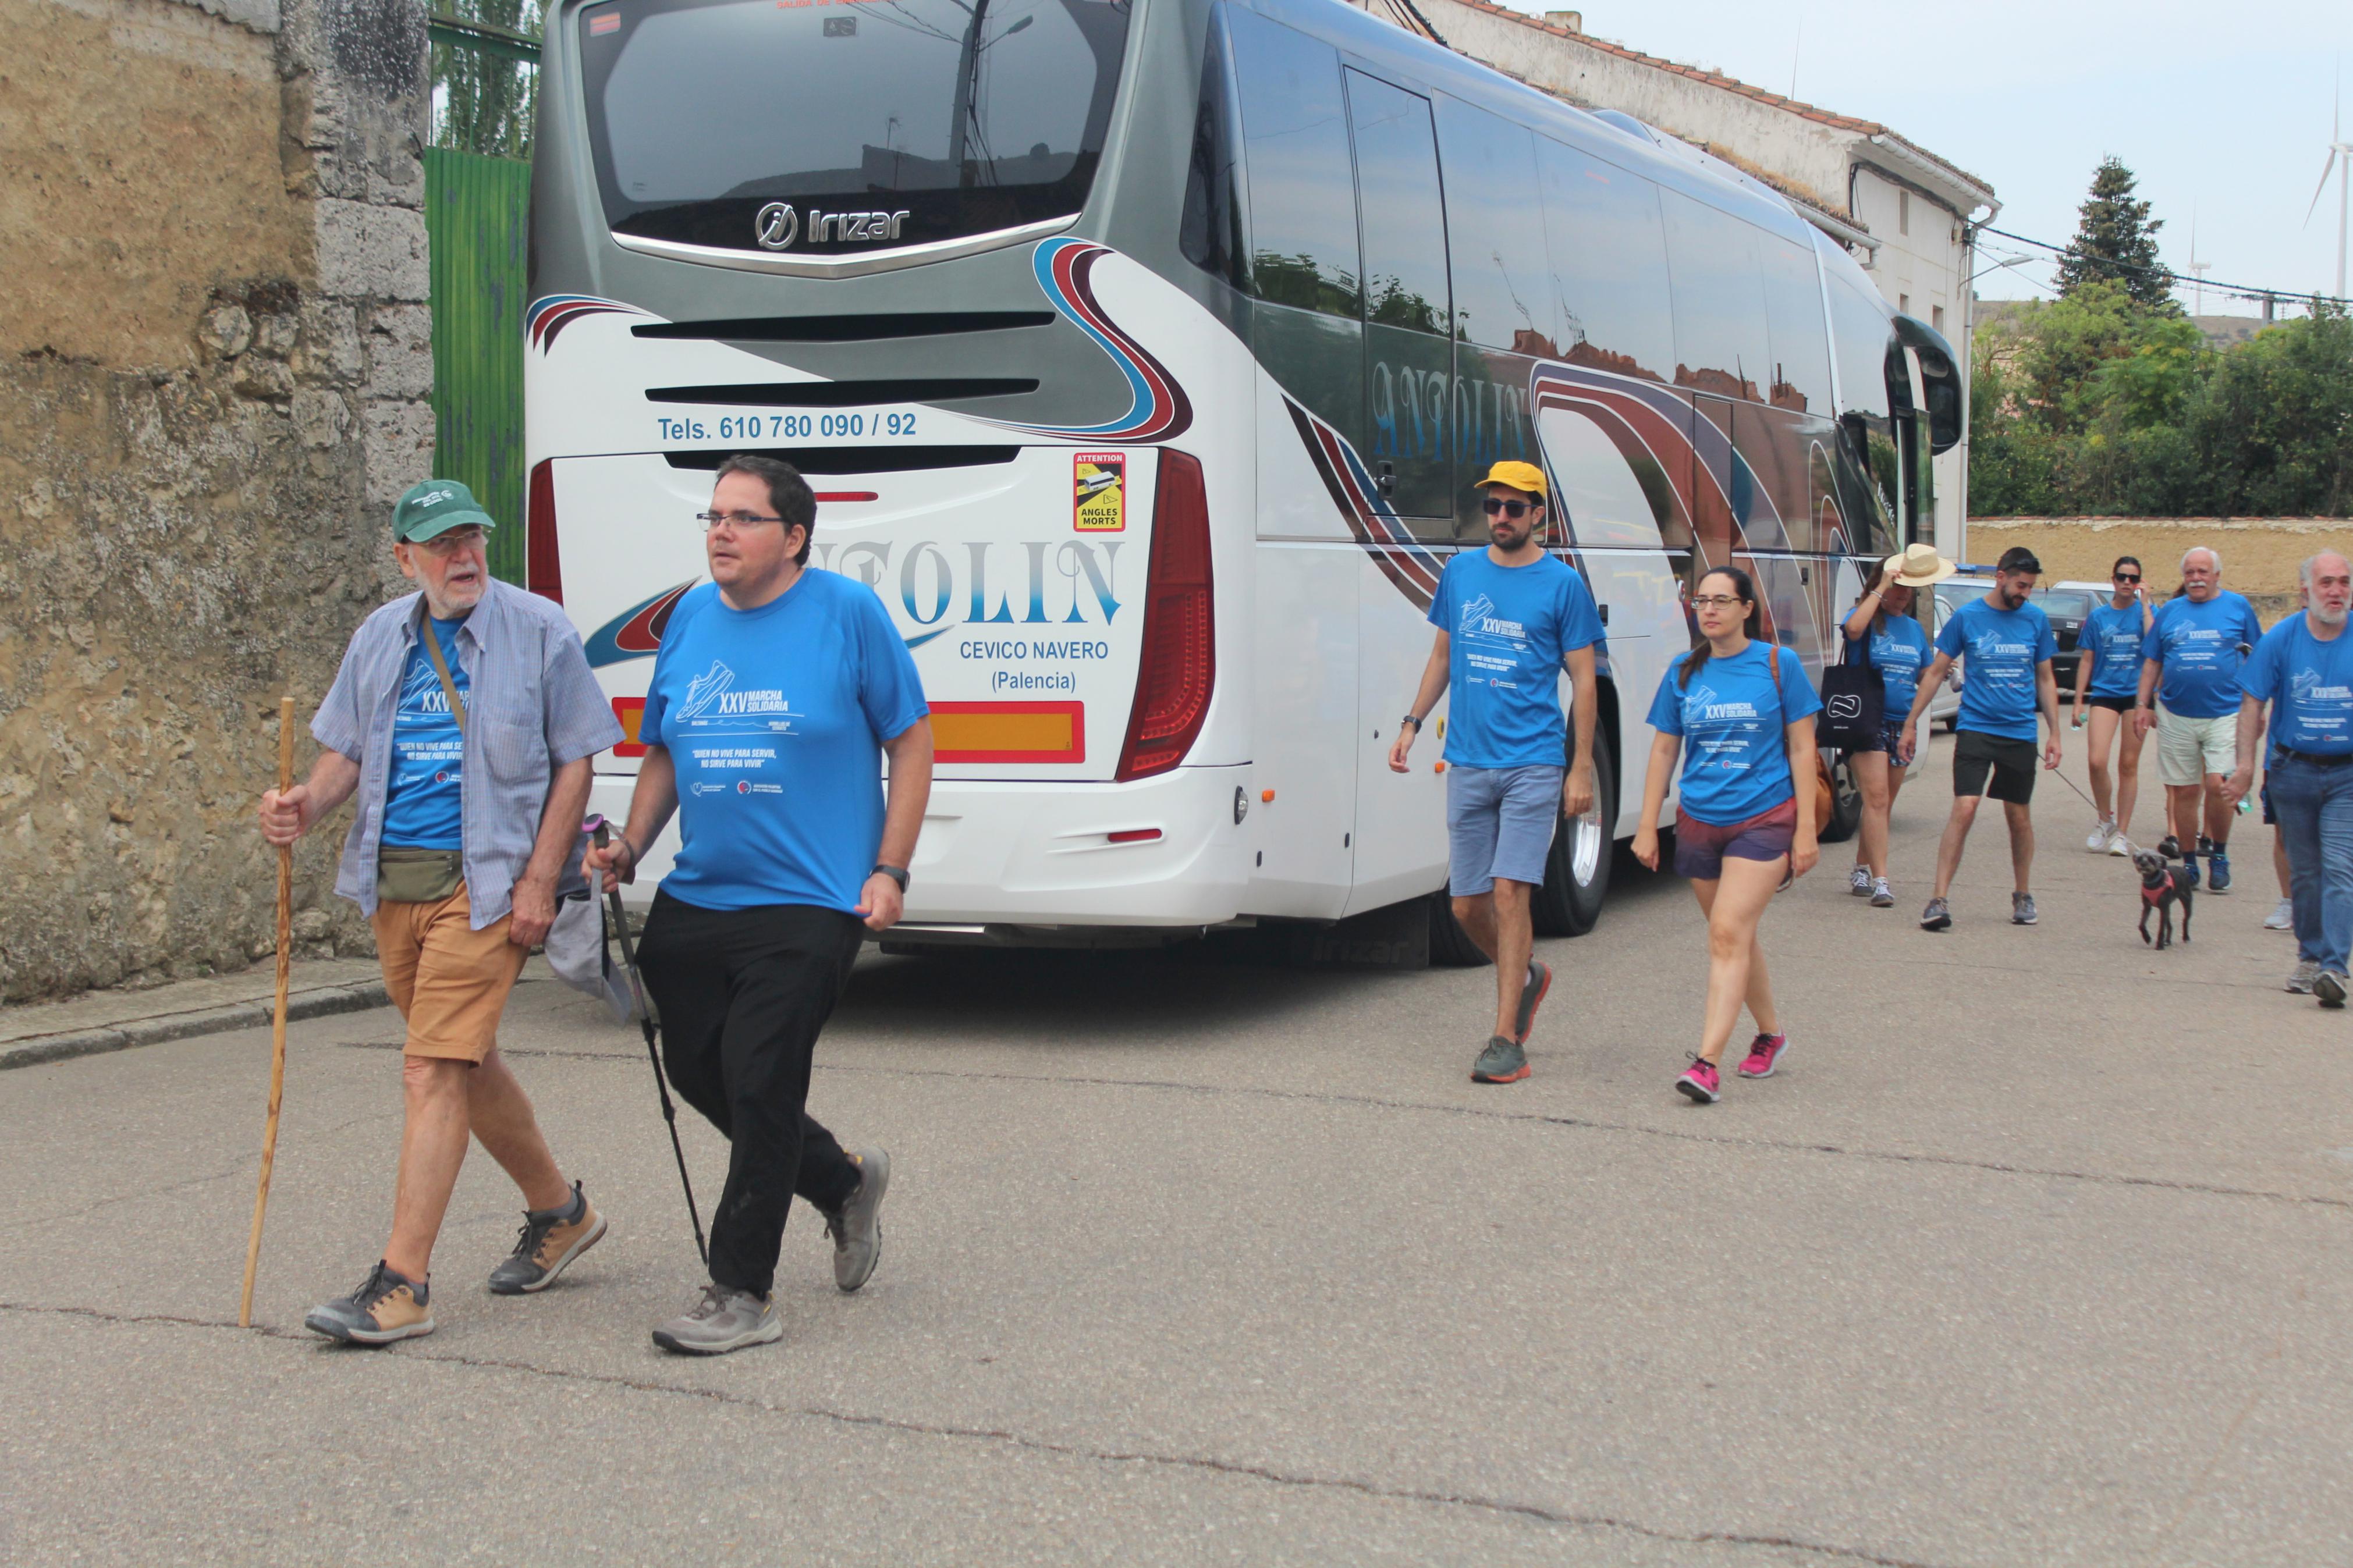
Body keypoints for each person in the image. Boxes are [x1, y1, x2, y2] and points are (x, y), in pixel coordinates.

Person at [258, 479, 624, 1345]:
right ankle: (561, 1211)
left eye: (472, 538)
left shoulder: (540, 630)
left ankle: (403, 1280)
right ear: (405, 556)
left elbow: (577, 760)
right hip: (393, 884)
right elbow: (345, 749)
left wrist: (541, 878)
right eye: (441, 543)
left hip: (488, 885)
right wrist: (303, 806)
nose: (462, 556)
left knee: (429, 1069)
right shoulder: (380, 635)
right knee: (464, 1061)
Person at [587, 456, 934, 1355]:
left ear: (793, 536)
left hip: (811, 898)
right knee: (702, 1073)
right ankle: (842, 1181)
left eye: (743, 517)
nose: (719, 531)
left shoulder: (846, 615)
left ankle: (741, 1289)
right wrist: (630, 843)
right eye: (712, 514)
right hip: (701, 894)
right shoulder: (692, 617)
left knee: (761, 1077)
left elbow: (911, 739)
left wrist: (889, 867)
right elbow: (662, 746)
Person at [1390, 460, 1603, 1086]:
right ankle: (1527, 975)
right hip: (1467, 761)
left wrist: (1579, 766)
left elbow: (1585, 679)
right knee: (1465, 906)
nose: (1502, 517)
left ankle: (1505, 1036)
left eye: (1515, 507)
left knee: (1511, 894)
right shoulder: (1460, 572)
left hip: (1532, 762)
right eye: (1494, 507)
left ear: (1538, 513)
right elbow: (1442, 655)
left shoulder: (1561, 585)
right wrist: (1410, 722)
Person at [1634, 566, 1820, 1103]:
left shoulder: (1776, 664)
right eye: (1701, 600)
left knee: (1726, 933)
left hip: (1763, 818)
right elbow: (1664, 749)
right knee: (1732, 935)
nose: (1709, 609)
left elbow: (1803, 747)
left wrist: (1804, 830)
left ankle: (1706, 1063)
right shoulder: (1683, 671)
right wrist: (1647, 824)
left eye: (1721, 600)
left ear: (1746, 609)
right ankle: (1770, 1034)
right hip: (1699, 819)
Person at [1898, 546, 2062, 931]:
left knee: (2017, 815)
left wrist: (2054, 733)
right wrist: (1911, 722)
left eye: (2030, 587)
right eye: (2020, 585)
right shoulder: (1968, 618)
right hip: (1976, 727)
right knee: (1965, 807)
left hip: (2019, 731)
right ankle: (1937, 899)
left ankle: (2022, 893)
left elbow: (2045, 678)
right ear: (2000, 576)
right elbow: (1937, 671)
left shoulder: (2035, 620)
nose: (2025, 592)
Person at [2224, 550, 2353, 1006]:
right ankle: (2310, 956)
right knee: (2305, 873)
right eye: (2326, 583)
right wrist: (2243, 767)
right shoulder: (2280, 639)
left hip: (2346, 774)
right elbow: (2251, 703)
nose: (2336, 591)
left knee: (2340, 868)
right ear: (2305, 591)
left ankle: (2335, 969)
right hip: (2292, 770)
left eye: (2343, 582)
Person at [2134, 547, 2264, 892]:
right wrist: (2143, 704)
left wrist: (2259, 710)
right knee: (2186, 792)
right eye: (2190, 572)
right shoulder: (2172, 612)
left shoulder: (2238, 607)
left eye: (2203, 572)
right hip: (2176, 714)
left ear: (2217, 575)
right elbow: (2152, 661)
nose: (2196, 578)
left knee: (2219, 788)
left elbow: (2260, 660)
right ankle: (2190, 863)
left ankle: (2219, 854)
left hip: (2226, 713)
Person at [1839, 544, 1948, 908]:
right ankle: (1882, 881)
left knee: (1881, 807)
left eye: (1909, 592)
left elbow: (1926, 673)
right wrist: (1883, 583)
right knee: (1877, 799)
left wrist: (1950, 673)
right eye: (1898, 589)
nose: (1902, 598)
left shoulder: (1915, 630)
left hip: (1903, 725)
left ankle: (1860, 867)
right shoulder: (1867, 617)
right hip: (1867, 722)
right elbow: (1852, 630)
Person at [2071, 556, 2154, 855]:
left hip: (2137, 695)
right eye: (2122, 577)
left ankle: (2123, 832)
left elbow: (2155, 642)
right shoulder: (2099, 616)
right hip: (2105, 691)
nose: (2127, 583)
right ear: (2113, 579)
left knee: (2128, 765)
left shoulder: (2147, 612)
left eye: (2133, 579)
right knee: (2096, 760)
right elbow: (2088, 659)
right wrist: (2078, 699)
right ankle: (2104, 819)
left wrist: (2146, 604)